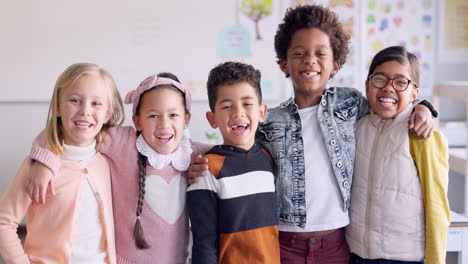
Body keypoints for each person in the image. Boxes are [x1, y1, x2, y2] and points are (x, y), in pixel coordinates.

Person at [188, 5, 437, 264]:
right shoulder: (269, 119)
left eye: (320, 53)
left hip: (337, 243)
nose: (310, 60)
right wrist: (203, 157)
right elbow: (240, 149)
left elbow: (387, 104)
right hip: (285, 245)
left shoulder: (350, 103)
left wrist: (423, 108)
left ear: (336, 64)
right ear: (284, 62)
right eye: (299, 53)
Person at [26, 72, 211, 263]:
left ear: (186, 120)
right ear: (137, 121)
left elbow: (233, 154)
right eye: (153, 115)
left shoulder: (194, 154)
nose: (164, 124)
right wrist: (44, 160)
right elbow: (69, 131)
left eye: (173, 115)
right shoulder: (124, 143)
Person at [0, 62, 124, 263]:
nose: (85, 111)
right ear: (58, 107)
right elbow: (4, 222)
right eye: (75, 100)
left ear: (107, 113)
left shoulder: (111, 161)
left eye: (96, 103)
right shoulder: (36, 166)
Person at [346, 46, 450, 264]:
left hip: (403, 258)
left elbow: (437, 207)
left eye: (401, 82)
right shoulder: (355, 127)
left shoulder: (422, 135)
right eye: (379, 79)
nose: (388, 88)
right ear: (367, 85)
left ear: (414, 93)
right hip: (356, 253)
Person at [187, 61, 280, 264]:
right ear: (212, 119)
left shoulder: (268, 158)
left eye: (247, 104)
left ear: (262, 112)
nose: (238, 113)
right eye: (227, 106)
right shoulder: (207, 169)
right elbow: (204, 242)